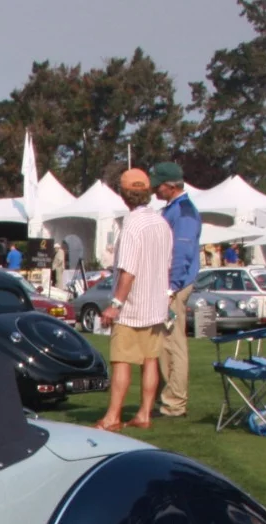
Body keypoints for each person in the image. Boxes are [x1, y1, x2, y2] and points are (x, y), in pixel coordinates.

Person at [96, 168, 172, 433]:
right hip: (156, 305)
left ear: (124, 195)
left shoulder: (131, 225)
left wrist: (115, 304)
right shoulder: (162, 223)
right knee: (150, 360)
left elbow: (128, 270)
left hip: (133, 306)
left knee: (121, 360)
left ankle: (112, 416)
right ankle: (144, 413)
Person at [151, 162, 200, 419]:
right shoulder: (176, 210)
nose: (154, 189)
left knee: (173, 343)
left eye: (158, 185)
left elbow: (182, 252)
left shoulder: (184, 212)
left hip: (174, 285)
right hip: (171, 284)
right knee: (165, 343)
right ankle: (167, 399)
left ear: (171, 186)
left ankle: (174, 403)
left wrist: (171, 286)